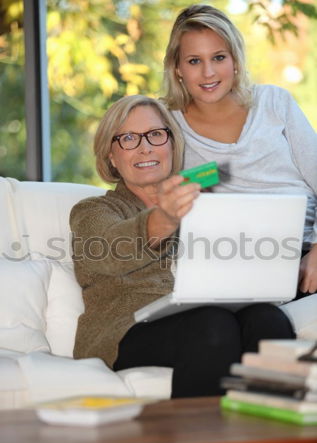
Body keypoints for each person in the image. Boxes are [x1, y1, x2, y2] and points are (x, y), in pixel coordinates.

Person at [70, 94, 295, 398]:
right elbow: (109, 251)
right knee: (211, 325)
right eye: (128, 139)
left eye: (155, 134)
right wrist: (163, 219)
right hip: (122, 332)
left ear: (172, 144)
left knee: (268, 319)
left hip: (204, 315)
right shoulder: (93, 211)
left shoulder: (205, 207)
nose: (145, 146)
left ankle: (266, 436)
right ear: (111, 155)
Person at [163, 4, 317, 297]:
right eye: (194, 61)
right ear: (177, 68)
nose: (208, 73)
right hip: (239, 261)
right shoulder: (168, 126)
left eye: (218, 57)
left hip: (306, 250)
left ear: (235, 60)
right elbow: (174, 189)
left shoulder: (274, 102)